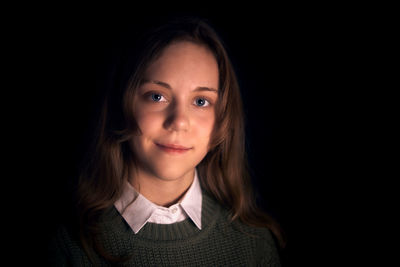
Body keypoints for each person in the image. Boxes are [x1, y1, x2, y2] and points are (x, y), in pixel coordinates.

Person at [48, 15, 286, 266]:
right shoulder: (67, 246)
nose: (179, 122)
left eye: (201, 101)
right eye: (156, 96)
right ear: (123, 103)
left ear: (222, 121)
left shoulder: (255, 243)